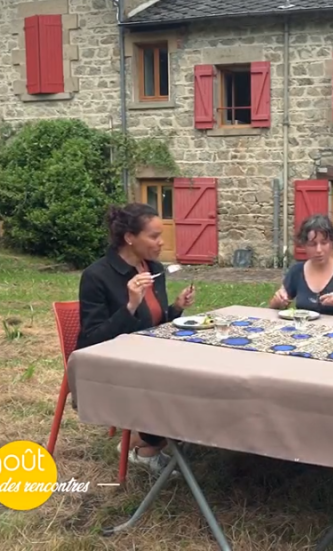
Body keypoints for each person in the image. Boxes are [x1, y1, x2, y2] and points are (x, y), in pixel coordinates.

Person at [75, 203, 196, 476]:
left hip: (150, 355)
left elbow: (155, 325)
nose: (161, 242)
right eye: (153, 236)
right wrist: (129, 306)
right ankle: (148, 447)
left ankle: (163, 437)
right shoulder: (97, 276)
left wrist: (176, 309)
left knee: (203, 370)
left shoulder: (153, 268)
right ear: (130, 238)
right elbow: (92, 340)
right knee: (178, 385)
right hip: (112, 364)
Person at [269, 214, 333, 317]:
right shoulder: (296, 271)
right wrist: (278, 301)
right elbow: (274, 308)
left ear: (332, 243)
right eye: (312, 244)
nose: (318, 250)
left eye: (324, 243)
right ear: (304, 246)